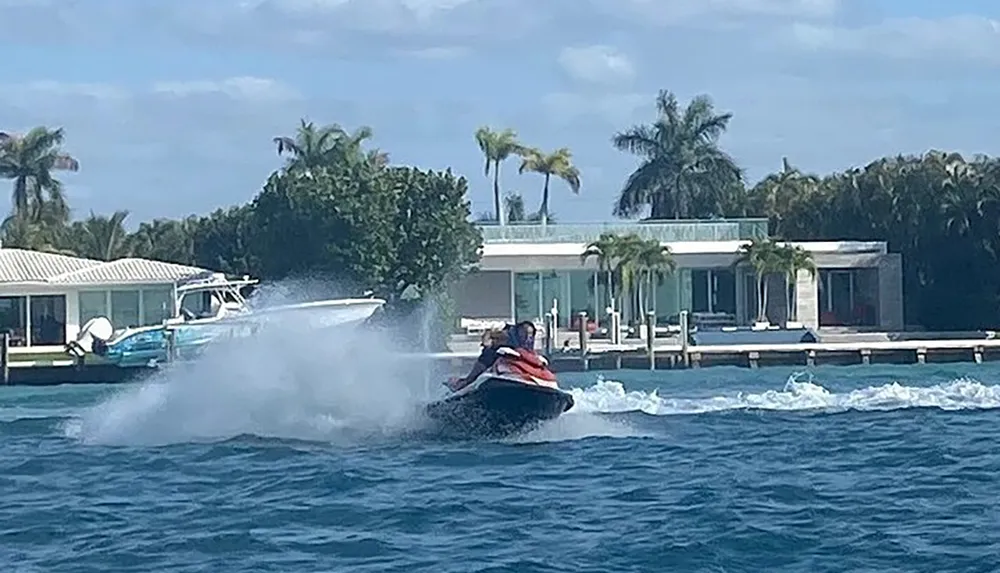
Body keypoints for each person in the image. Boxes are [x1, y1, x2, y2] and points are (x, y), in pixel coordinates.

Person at [446, 321, 537, 392]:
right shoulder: (506, 334)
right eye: (525, 333)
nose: (527, 337)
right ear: (519, 330)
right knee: (472, 378)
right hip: (490, 356)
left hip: (510, 360)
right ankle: (459, 385)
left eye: (530, 334)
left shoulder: (528, 341)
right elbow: (488, 333)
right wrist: (487, 343)